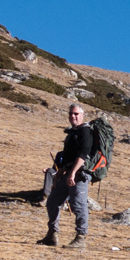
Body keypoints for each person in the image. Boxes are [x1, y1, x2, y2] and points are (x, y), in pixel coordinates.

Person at [41, 102, 96, 248]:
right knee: (52, 201)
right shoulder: (72, 133)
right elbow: (66, 156)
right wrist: (59, 174)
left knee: (78, 205)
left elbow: (83, 154)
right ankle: (52, 235)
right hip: (68, 173)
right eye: (71, 113)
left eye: (76, 114)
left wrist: (71, 173)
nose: (73, 116)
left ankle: (81, 238)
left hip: (80, 174)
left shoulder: (85, 132)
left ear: (82, 116)